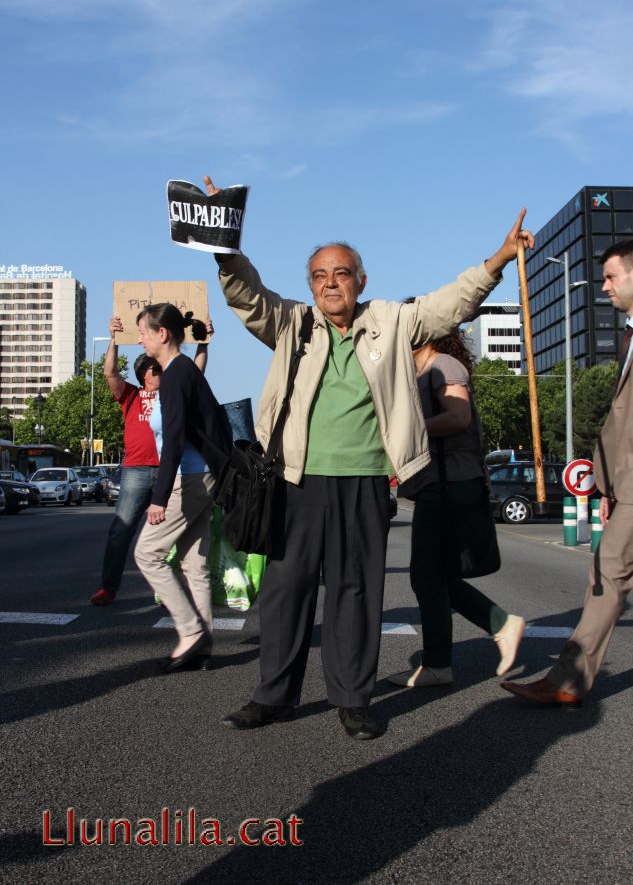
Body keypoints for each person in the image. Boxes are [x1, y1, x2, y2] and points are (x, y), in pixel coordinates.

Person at [206, 172, 534, 739]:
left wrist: (499, 258)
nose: (330, 283)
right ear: (309, 285)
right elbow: (246, 296)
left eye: (340, 273)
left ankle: (353, 698)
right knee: (285, 593)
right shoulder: (292, 324)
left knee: (357, 592)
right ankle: (273, 696)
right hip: (293, 480)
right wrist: (224, 245)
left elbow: (445, 306)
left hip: (363, 481)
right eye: (319, 275)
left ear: (361, 280)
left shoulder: (390, 321)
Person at [501, 239, 633, 706]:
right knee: (607, 574)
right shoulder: (629, 335)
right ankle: (568, 680)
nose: (604, 287)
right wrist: (607, 480)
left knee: (608, 573)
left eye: (612, 277)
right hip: (625, 484)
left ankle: (568, 680)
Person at [387, 327, 525, 689]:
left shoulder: (443, 365)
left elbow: (458, 417)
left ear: (423, 335)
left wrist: (409, 431)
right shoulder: (424, 371)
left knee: (424, 574)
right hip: (442, 483)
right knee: (438, 575)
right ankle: (499, 625)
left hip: (449, 483)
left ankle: (439, 663)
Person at [133, 304, 232, 673]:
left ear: (163, 334)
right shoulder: (184, 369)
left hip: (189, 477)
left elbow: (173, 439)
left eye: (143, 330)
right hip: (205, 475)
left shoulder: (176, 374)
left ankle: (190, 632)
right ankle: (203, 647)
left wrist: (159, 498)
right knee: (194, 565)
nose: (139, 338)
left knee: (147, 554)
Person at [89, 315, 213, 607]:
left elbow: (196, 370)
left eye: (160, 369)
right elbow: (109, 373)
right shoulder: (131, 396)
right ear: (144, 374)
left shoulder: (175, 390)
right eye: (154, 370)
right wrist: (114, 340)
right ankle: (109, 586)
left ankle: (170, 590)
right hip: (137, 470)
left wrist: (204, 342)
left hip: (175, 471)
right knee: (122, 528)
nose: (160, 373)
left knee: (175, 538)